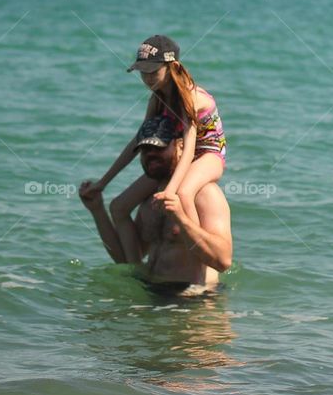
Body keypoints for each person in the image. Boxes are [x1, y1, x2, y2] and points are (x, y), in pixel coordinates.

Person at [84, 35, 228, 263]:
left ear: (173, 67)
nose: (148, 78)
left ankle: (198, 255)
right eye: (143, 72)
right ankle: (135, 270)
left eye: (153, 71)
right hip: (176, 154)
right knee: (119, 206)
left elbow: (190, 148)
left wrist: (170, 190)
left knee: (183, 193)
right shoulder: (157, 98)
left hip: (208, 152)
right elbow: (136, 142)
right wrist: (103, 182)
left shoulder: (189, 97)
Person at [79, 123, 232, 294]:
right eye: (145, 149)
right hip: (152, 292)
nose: (151, 154)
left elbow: (223, 261)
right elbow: (126, 260)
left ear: (181, 146)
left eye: (159, 148)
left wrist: (180, 218)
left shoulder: (204, 194)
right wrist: (97, 210)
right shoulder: (151, 199)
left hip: (194, 300)